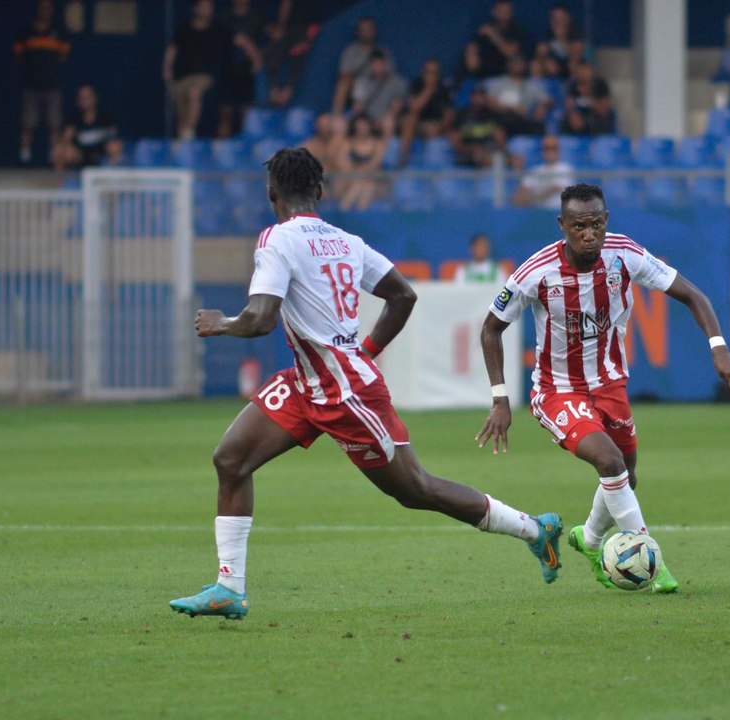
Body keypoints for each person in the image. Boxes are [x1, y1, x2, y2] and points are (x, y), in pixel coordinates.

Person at [169, 147, 564, 620]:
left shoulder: (276, 240)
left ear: (271, 192)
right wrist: (367, 352)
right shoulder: (345, 241)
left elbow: (260, 319)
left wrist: (223, 322)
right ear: (318, 191)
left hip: (345, 394)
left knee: (416, 489)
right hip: (307, 383)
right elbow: (403, 295)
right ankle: (228, 588)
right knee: (231, 459)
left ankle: (534, 530)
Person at [477, 183, 730, 594]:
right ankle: (653, 562)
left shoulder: (624, 254)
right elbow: (490, 329)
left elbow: (694, 295)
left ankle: (587, 541)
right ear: (563, 226)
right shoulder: (536, 272)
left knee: (628, 476)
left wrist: (719, 349)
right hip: (558, 391)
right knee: (609, 462)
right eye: (579, 226)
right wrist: (501, 397)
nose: (589, 234)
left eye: (596, 224)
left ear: (606, 222)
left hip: (610, 385)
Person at [162, 0, 232, 140]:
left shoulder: (217, 29)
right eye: (205, 6)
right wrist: (167, 69)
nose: (208, 9)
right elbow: (172, 49)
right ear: (196, 9)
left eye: (210, 7)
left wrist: (255, 57)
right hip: (181, 76)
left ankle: (190, 130)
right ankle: (182, 146)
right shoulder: (184, 29)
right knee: (182, 115)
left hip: (203, 76)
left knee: (194, 93)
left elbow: (239, 39)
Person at [14, 0, 70, 164]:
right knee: (27, 124)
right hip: (31, 86)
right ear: (37, 10)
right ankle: (24, 155)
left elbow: (63, 56)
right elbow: (19, 55)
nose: (45, 11)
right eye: (42, 8)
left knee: (54, 125)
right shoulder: (27, 32)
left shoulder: (57, 32)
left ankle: (54, 156)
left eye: (48, 8)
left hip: (52, 87)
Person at [217, 0, 265, 138]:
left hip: (249, 71)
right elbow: (237, 40)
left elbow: (272, 35)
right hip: (228, 70)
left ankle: (246, 149)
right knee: (226, 113)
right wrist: (255, 56)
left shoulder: (257, 17)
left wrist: (259, 58)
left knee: (247, 114)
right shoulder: (224, 18)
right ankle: (224, 151)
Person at [52, 84, 124, 173]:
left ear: (95, 98)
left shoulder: (106, 118)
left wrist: (112, 147)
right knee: (59, 150)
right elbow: (65, 141)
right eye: (82, 97)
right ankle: (60, 183)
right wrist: (66, 142)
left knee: (115, 148)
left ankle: (112, 182)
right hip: (81, 156)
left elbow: (116, 138)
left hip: (101, 155)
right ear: (78, 100)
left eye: (88, 96)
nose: (85, 100)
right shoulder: (73, 119)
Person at [262, 0, 321, 107]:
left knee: (298, 57)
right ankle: (274, 90)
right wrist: (280, 27)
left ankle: (287, 92)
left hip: (305, 30)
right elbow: (286, 4)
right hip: (288, 30)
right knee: (273, 53)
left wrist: (311, 34)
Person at [397, 59, 454, 167]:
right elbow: (413, 108)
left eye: (434, 73)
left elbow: (449, 114)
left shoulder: (444, 88)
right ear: (423, 73)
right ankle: (403, 158)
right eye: (428, 72)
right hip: (415, 124)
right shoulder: (416, 85)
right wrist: (428, 90)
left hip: (434, 125)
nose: (431, 76)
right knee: (411, 119)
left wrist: (439, 129)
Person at [332, 17, 390, 116]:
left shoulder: (382, 52)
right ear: (358, 32)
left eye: (369, 29)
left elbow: (389, 74)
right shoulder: (350, 51)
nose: (366, 32)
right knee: (344, 83)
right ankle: (336, 117)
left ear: (374, 31)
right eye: (363, 30)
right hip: (356, 88)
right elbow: (344, 74)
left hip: (378, 87)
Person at [334, 114, 393, 211]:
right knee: (360, 184)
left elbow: (375, 164)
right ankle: (351, 212)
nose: (362, 130)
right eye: (359, 128)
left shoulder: (378, 144)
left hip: (372, 181)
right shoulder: (347, 143)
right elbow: (342, 164)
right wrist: (357, 172)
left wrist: (361, 170)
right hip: (350, 180)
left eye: (365, 127)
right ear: (355, 128)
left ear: (370, 127)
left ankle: (348, 211)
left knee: (367, 185)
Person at [485, 56, 554, 136]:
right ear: (508, 66)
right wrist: (510, 108)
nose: (517, 66)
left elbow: (549, 100)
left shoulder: (531, 85)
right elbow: (489, 100)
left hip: (523, 119)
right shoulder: (500, 82)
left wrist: (542, 106)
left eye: (520, 64)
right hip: (502, 116)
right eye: (514, 64)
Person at [450, 83, 508, 168]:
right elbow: (455, 143)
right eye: (476, 95)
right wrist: (472, 149)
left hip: (489, 151)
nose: (479, 99)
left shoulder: (493, 115)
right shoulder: (461, 115)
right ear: (471, 97)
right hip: (467, 153)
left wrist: (494, 153)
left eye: (481, 95)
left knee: (515, 159)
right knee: (478, 155)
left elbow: (501, 141)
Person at [511, 136, 575, 209]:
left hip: (557, 212)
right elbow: (523, 189)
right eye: (547, 149)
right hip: (538, 212)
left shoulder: (565, 168)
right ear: (543, 151)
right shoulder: (535, 170)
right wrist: (525, 199)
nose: (550, 152)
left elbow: (554, 188)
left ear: (558, 151)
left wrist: (532, 199)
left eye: (553, 149)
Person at [468, 0, 525, 79]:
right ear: (494, 11)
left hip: (505, 77)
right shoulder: (485, 28)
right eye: (501, 11)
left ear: (511, 13)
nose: (503, 14)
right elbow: (473, 46)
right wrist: (471, 55)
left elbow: (510, 52)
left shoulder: (516, 30)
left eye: (506, 12)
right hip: (483, 75)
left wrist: (492, 34)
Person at [351, 50, 408, 128]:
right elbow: (357, 107)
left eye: (380, 63)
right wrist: (367, 119)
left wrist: (383, 120)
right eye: (375, 63)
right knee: (360, 125)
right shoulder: (363, 82)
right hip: (368, 119)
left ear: (386, 63)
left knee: (388, 123)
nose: (378, 66)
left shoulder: (397, 82)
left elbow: (398, 105)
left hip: (388, 117)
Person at [532, 4, 585, 79]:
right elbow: (540, 53)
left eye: (561, 17)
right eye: (555, 18)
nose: (558, 21)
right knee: (536, 64)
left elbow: (576, 54)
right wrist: (545, 59)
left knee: (573, 64)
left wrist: (562, 38)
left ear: (567, 18)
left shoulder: (576, 32)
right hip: (556, 65)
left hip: (576, 63)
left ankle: (573, 87)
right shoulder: (548, 33)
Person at [561, 60, 614, 135]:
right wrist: (573, 116)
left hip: (596, 116)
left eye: (585, 70)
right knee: (566, 120)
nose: (582, 73)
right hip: (579, 116)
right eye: (580, 70)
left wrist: (593, 105)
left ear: (591, 71)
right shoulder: (572, 86)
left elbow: (605, 107)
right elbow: (569, 106)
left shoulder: (601, 85)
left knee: (601, 119)